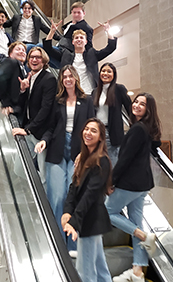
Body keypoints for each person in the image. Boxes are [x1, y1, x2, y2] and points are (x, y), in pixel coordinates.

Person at [35, 65, 94, 252]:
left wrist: (85, 152)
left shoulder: (86, 101)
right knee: (57, 196)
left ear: (76, 78)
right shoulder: (58, 101)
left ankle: (73, 244)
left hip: (79, 153)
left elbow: (92, 128)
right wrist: (44, 140)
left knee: (74, 197)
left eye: (70, 76)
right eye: (64, 76)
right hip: (57, 151)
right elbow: (51, 127)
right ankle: (57, 244)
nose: (67, 79)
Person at [106, 92, 162, 282]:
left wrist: (111, 181)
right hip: (143, 184)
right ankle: (137, 272)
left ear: (148, 109)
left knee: (107, 211)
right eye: (136, 102)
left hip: (130, 183)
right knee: (136, 221)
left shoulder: (137, 129)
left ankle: (142, 235)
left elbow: (125, 159)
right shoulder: (145, 129)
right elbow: (155, 145)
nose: (137, 105)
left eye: (142, 104)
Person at [62, 118, 112, 282]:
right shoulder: (83, 158)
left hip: (91, 220)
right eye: (86, 129)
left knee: (85, 273)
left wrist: (74, 222)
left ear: (100, 138)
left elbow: (89, 195)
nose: (88, 133)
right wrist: (67, 212)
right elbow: (73, 187)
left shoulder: (101, 161)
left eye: (94, 131)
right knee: (100, 268)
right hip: (90, 222)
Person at [12, 47, 57, 184]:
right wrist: (22, 90)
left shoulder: (49, 79)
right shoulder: (29, 77)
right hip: (29, 130)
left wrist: (28, 129)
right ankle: (35, 189)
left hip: (40, 133)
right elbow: (23, 105)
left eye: (38, 57)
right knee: (18, 169)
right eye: (31, 57)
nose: (34, 60)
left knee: (43, 174)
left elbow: (46, 108)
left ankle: (44, 203)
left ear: (44, 61)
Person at [43, 24, 117, 95]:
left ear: (86, 41)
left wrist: (108, 31)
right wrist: (52, 31)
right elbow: (48, 49)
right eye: (76, 38)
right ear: (73, 42)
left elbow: (110, 48)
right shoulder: (66, 54)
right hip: (69, 94)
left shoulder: (92, 54)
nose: (79, 39)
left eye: (81, 38)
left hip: (89, 93)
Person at [92, 63, 133, 166]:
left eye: (109, 71)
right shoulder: (95, 92)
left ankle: (113, 183)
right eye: (103, 71)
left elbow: (130, 108)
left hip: (111, 133)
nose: (105, 73)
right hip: (97, 132)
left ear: (114, 74)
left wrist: (135, 125)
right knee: (98, 165)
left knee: (112, 165)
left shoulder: (119, 89)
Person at [0, 41, 27, 123]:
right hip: (12, 107)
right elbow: (0, 78)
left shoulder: (22, 69)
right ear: (10, 54)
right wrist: (5, 103)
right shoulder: (11, 61)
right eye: (18, 49)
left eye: (23, 50)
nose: (21, 51)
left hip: (18, 109)